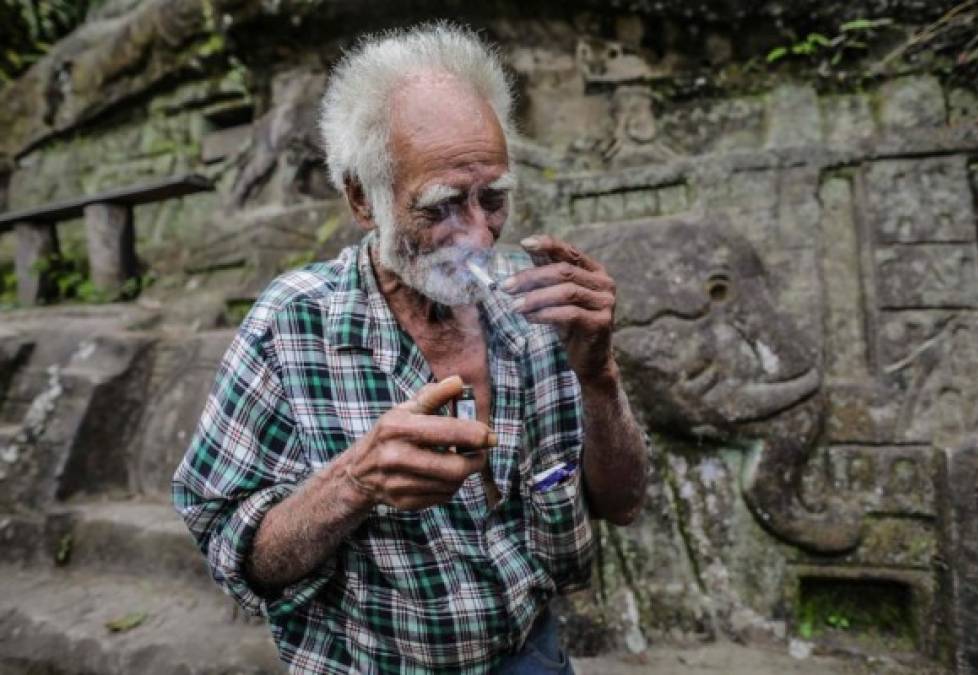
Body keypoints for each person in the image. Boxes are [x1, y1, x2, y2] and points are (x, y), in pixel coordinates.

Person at [172, 22, 649, 674]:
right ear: (362, 199)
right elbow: (229, 545)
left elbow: (621, 503)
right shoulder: (293, 324)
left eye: (494, 198)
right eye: (443, 205)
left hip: (530, 653)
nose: (479, 237)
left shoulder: (538, 309)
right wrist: (354, 481)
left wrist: (599, 374)